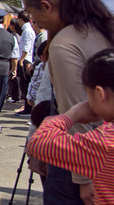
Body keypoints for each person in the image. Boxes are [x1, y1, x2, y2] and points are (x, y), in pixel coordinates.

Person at [19, 0, 114, 205]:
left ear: (47, 6)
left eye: (32, 13)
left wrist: (84, 179)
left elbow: (75, 107)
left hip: (78, 163)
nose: (33, 21)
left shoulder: (64, 43)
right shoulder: (105, 27)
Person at [27, 49, 114, 205]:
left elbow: (38, 142)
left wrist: (71, 114)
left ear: (100, 94)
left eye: (88, 95)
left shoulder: (101, 143)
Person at [15, 10, 35, 116]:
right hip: (26, 59)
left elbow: (26, 47)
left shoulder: (27, 31)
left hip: (25, 59)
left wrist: (22, 60)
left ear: (21, 19)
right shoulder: (28, 29)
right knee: (24, 85)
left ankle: (28, 109)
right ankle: (27, 107)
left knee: (25, 84)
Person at [7, 18, 22, 103]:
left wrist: (14, 67)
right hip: (18, 59)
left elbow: (15, 52)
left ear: (12, 26)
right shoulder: (19, 35)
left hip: (17, 59)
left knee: (14, 79)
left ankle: (15, 96)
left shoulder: (15, 36)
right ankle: (16, 96)